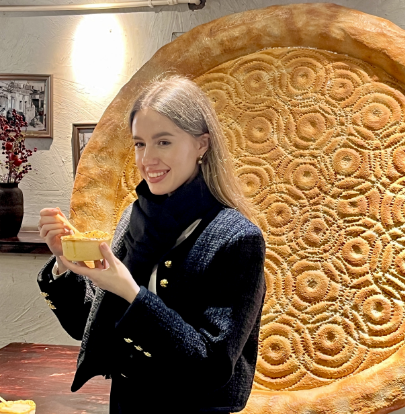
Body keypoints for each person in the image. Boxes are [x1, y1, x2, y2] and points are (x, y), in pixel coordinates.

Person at [36, 75, 266, 414]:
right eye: (140, 144)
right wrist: (62, 261)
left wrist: (131, 292)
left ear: (202, 145)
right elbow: (87, 326)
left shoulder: (237, 238)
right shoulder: (134, 217)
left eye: (163, 142)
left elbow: (212, 367)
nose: (147, 158)